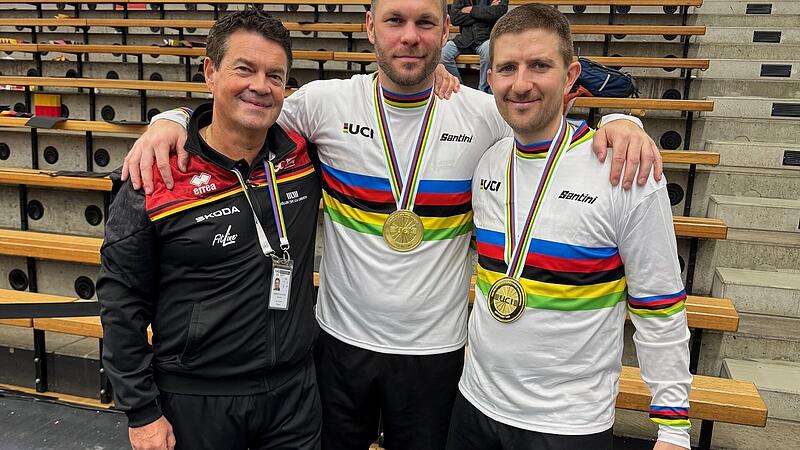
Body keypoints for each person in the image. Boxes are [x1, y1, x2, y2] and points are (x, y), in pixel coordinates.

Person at [123, 0, 664, 448]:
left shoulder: (481, 113)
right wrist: (170, 120)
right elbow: (239, 111)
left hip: (435, 354)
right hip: (338, 344)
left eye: (425, 22)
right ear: (369, 27)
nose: (410, 36)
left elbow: (546, 122)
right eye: (395, 21)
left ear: (446, 31)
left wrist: (621, 121)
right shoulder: (324, 104)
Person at [447, 5, 691, 450]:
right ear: (490, 78)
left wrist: (673, 428)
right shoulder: (487, 162)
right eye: (508, 68)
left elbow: (660, 304)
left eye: (539, 66)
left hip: (568, 424)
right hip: (475, 406)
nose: (521, 84)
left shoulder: (625, 172)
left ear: (571, 76)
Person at [97, 10, 322, 450]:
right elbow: (121, 299)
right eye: (244, 69)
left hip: (294, 397)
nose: (261, 85)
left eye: (275, 75)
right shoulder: (156, 175)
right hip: (196, 400)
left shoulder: (301, 155)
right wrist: (142, 411)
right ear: (210, 73)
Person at [441, 0, 507, 93]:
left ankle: (483, 91)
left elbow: (499, 12)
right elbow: (455, 18)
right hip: (463, 40)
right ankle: (460, 90)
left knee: (489, 49)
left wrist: (470, 10)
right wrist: (486, 13)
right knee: (444, 53)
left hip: (485, 39)